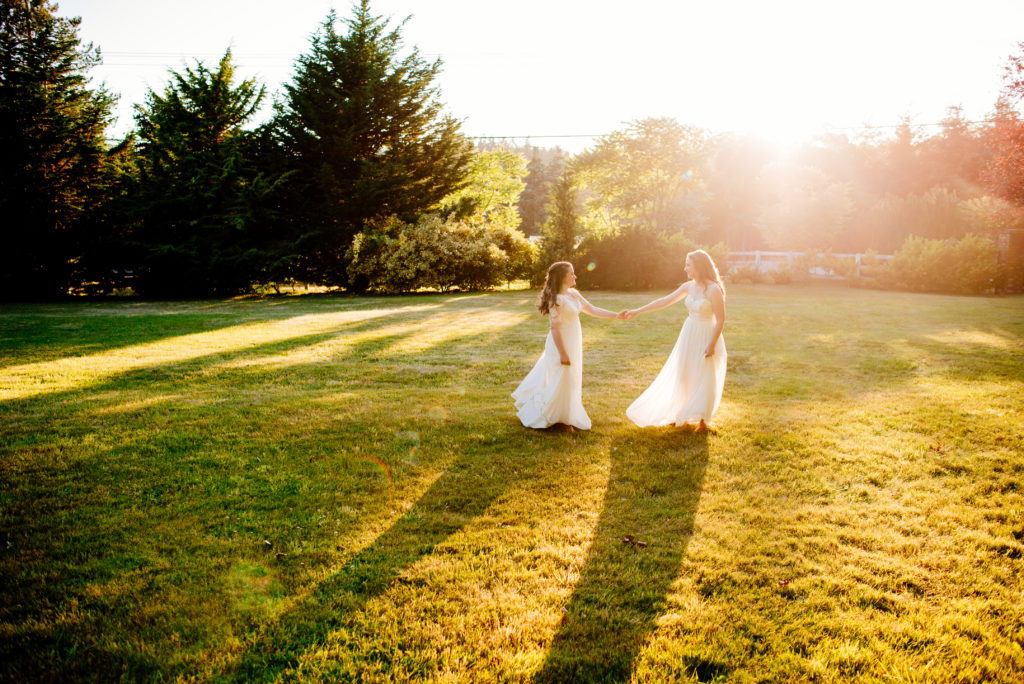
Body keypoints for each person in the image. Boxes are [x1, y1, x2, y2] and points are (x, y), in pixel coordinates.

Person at [620, 249, 727, 432]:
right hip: (689, 333)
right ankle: (680, 412)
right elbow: (664, 301)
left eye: (688, 265)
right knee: (684, 372)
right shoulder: (688, 286)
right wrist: (638, 311)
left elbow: (721, 319)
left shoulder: (713, 289)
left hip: (706, 334)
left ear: (699, 267)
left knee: (704, 374)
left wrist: (711, 344)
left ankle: (702, 421)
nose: (685, 268)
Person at [512, 261, 620, 431]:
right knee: (562, 378)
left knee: (571, 378)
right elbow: (554, 328)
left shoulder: (574, 294)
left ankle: (566, 415)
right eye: (571, 274)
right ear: (562, 278)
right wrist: (563, 353)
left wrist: (616, 316)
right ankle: (561, 419)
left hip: (574, 341)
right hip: (560, 344)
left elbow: (592, 309)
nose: (574, 276)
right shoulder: (556, 300)